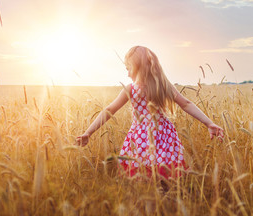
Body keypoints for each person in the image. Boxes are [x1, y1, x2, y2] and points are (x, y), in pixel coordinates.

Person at [76, 46, 224, 178]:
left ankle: (149, 204)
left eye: (128, 68)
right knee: (165, 175)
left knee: (141, 175)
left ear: (137, 67)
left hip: (140, 137)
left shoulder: (131, 89)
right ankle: (164, 202)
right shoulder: (164, 86)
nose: (127, 74)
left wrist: (89, 132)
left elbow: (109, 110)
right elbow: (186, 104)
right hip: (165, 136)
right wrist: (209, 123)